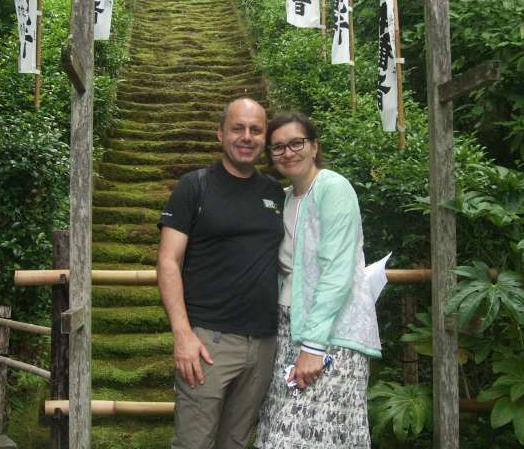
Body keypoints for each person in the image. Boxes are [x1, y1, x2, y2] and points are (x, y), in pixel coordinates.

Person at [157, 97, 285, 449]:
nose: (247, 137)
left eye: (256, 130)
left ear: (265, 137)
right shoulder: (194, 186)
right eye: (238, 128)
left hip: (263, 342)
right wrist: (183, 334)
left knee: (237, 442)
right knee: (194, 442)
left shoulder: (275, 192)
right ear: (220, 133)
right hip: (208, 342)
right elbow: (168, 261)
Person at [255, 111, 382, 449]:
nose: (288, 152)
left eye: (296, 143)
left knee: (314, 437)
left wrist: (314, 346)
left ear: (313, 146)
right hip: (288, 328)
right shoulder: (284, 198)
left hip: (331, 336)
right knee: (277, 431)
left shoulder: (333, 188)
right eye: (277, 147)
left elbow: (337, 271)